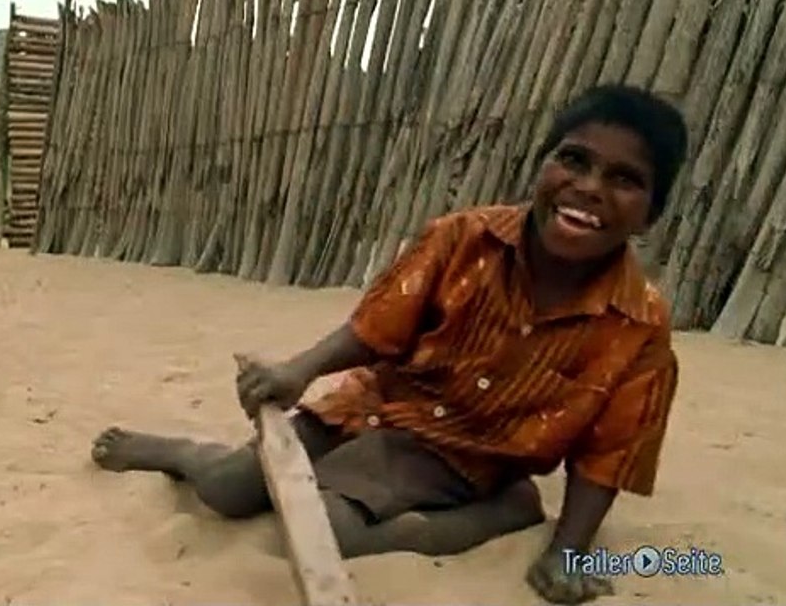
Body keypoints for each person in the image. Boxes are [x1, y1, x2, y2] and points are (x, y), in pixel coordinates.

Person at [91, 84, 688, 605]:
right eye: (573, 160)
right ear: (542, 166)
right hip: (373, 407)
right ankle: (184, 453)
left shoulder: (639, 327)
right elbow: (378, 327)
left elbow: (607, 456)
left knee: (329, 529)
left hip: (469, 460)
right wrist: (299, 372)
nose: (588, 188)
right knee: (226, 490)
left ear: (653, 214)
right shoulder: (463, 238)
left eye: (625, 180)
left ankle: (502, 511)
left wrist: (570, 551)